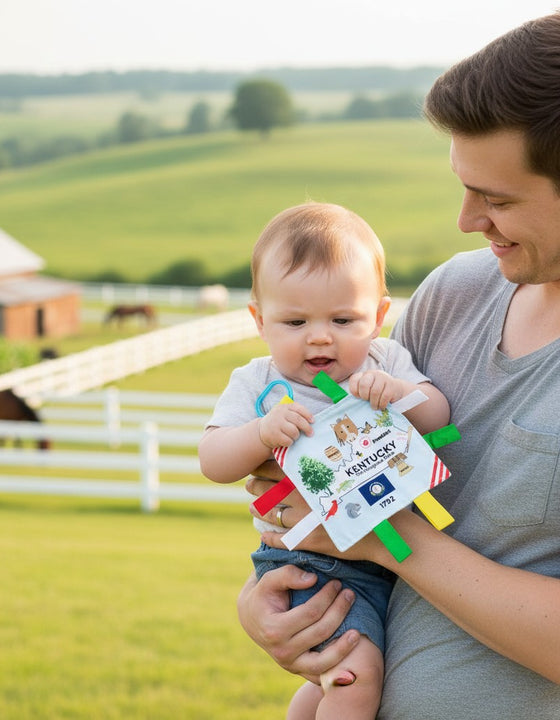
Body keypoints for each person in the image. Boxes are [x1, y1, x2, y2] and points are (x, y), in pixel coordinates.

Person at [236, 12, 560, 720]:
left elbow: (377, 521)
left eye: (498, 198)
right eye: (466, 186)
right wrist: (283, 598)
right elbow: (327, 464)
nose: (467, 220)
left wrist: (382, 532)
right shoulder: (453, 293)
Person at [199, 202, 449, 720]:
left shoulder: (384, 362)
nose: (319, 336)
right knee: (356, 675)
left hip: (391, 565)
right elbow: (214, 460)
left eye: (343, 319)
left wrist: (399, 393)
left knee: (332, 680)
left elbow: (439, 413)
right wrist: (260, 434)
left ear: (378, 317)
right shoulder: (258, 382)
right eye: (294, 321)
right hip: (308, 561)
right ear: (259, 320)